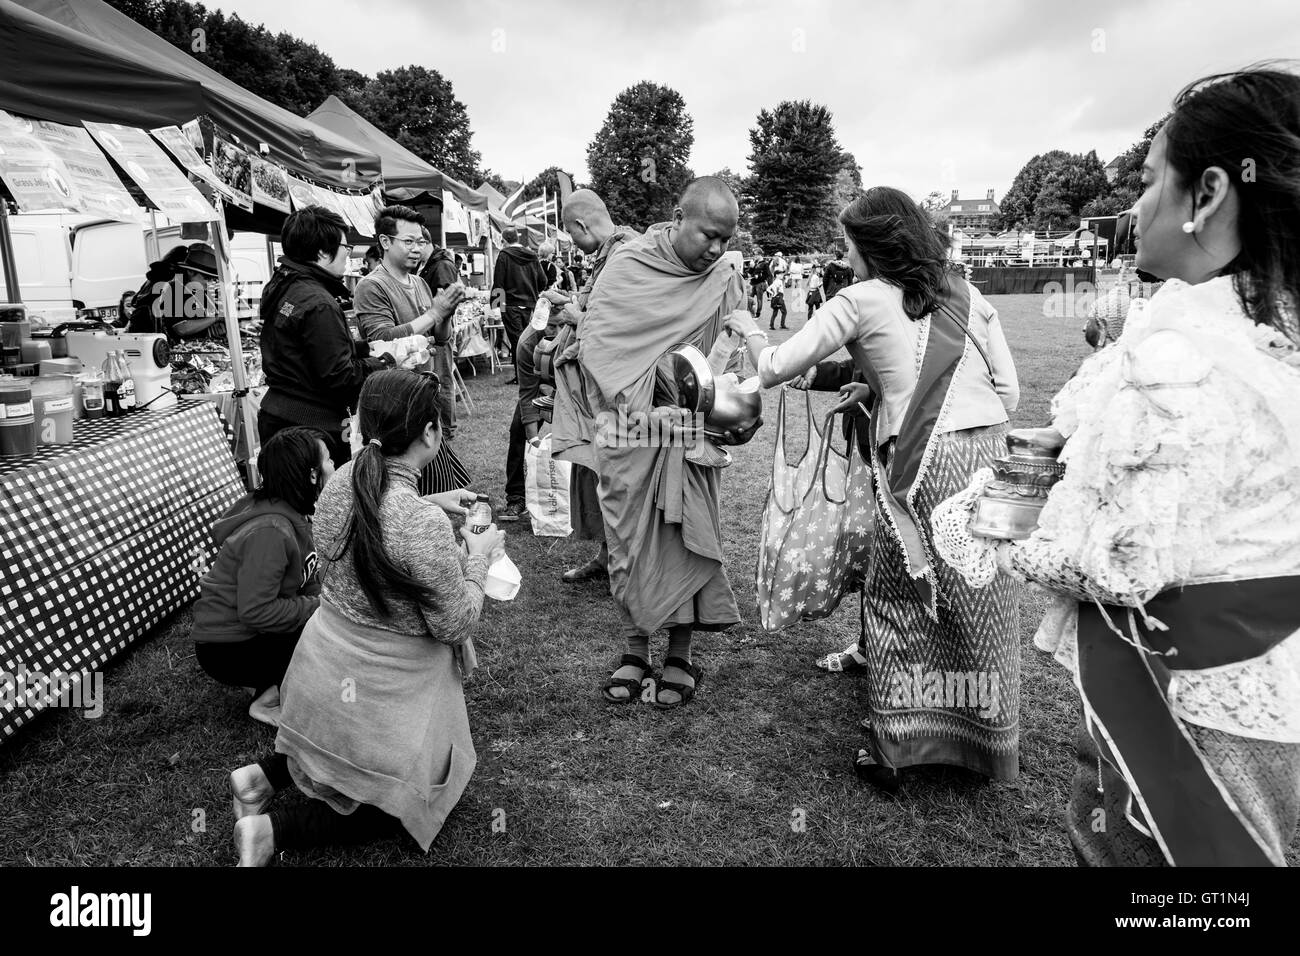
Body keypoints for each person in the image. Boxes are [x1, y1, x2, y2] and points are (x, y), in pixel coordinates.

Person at [934, 66, 1300, 866]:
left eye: (1145, 181)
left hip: (1187, 707)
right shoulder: (1261, 335)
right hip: (1263, 687)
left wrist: (991, 525)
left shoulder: (1187, 357)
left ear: (1206, 194)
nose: (1132, 209)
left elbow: (1124, 557)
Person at [725, 185, 1022, 792]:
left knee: (896, 593)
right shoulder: (968, 295)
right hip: (990, 456)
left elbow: (776, 365)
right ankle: (985, 743)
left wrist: (749, 327)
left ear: (869, 245)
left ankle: (900, 749)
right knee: (982, 596)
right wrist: (879, 389)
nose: (844, 253)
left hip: (927, 461)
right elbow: (1009, 395)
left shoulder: (858, 298)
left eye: (847, 242)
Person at [229, 369, 504, 866]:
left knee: (333, 751)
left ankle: (258, 779)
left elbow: (381, 521)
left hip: (325, 663)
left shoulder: (341, 480)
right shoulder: (415, 521)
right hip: (384, 687)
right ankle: (271, 831)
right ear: (430, 433)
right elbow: (455, 624)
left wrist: (428, 504)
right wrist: (480, 554)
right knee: (398, 799)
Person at [580, 176, 756, 708]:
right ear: (678, 217)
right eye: (709, 235)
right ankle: (636, 648)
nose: (718, 249)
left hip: (689, 436)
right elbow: (599, 348)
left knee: (687, 536)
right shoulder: (628, 267)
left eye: (726, 238)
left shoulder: (725, 277)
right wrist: (648, 406)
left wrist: (731, 403)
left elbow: (731, 365)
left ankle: (678, 654)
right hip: (629, 432)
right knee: (627, 541)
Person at [192, 427, 331, 726]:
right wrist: (319, 608)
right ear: (311, 475)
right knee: (324, 645)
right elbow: (257, 611)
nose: (334, 467)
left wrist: (322, 600)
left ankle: (268, 682)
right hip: (227, 648)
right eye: (329, 461)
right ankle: (267, 699)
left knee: (329, 630)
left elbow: (307, 579)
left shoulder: (294, 514)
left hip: (247, 635)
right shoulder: (271, 532)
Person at [259, 206, 393, 467]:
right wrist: (384, 363)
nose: (349, 252)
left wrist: (362, 349)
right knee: (322, 504)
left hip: (280, 416)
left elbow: (306, 350)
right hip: (311, 429)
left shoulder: (284, 285)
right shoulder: (318, 302)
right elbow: (341, 377)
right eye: (346, 245)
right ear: (322, 251)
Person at [552, 189, 639, 582]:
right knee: (595, 471)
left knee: (620, 476)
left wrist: (577, 316)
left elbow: (628, 327)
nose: (575, 245)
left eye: (572, 236)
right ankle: (607, 555)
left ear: (582, 225)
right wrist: (575, 307)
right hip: (595, 389)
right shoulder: (610, 255)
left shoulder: (629, 255)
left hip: (621, 389)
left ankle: (627, 563)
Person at [354, 205, 468, 486]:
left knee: (435, 485)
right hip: (394, 403)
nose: (417, 248)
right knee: (400, 487)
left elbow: (441, 338)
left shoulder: (419, 282)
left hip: (424, 393)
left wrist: (446, 314)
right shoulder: (372, 286)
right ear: (384, 242)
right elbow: (380, 342)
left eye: (421, 242)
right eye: (408, 241)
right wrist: (434, 314)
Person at [127, 242, 223, 343]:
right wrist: (216, 318)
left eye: (213, 279)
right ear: (190, 272)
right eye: (206, 278)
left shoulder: (194, 288)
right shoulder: (174, 288)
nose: (209, 282)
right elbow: (181, 328)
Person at [491, 227, 549, 386]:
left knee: (517, 342)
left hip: (510, 305)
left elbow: (499, 282)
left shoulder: (504, 255)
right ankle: (526, 373)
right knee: (526, 341)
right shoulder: (532, 256)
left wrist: (497, 308)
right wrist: (533, 293)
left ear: (503, 239)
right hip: (528, 304)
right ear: (517, 238)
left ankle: (522, 376)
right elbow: (543, 281)